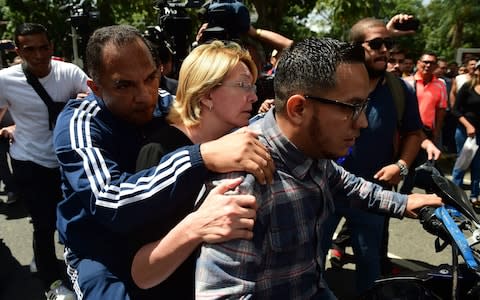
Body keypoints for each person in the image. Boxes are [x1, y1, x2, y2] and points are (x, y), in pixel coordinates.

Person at [194, 37, 443, 299]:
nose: (363, 123)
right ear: (299, 108)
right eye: (352, 107)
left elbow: (349, 186)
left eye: (365, 106)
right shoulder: (243, 184)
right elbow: (222, 294)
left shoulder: (311, 151)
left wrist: (405, 203)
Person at [53, 25, 274, 300]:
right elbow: (110, 201)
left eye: (150, 78)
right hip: (99, 252)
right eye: (124, 85)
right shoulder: (79, 124)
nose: (145, 94)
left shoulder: (167, 102)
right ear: (95, 88)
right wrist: (201, 155)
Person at [324, 15, 426, 294]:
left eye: (389, 43)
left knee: (370, 266)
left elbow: (414, 134)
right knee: (308, 260)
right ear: (356, 48)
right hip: (326, 191)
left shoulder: (399, 90)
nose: (385, 50)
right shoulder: (333, 81)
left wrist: (401, 166)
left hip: (374, 194)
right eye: (377, 44)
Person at [0, 23, 89, 299]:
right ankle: (51, 283)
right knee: (44, 223)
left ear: (51, 46)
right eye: (29, 49)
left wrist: (85, 101)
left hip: (68, 162)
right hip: (30, 161)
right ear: (18, 50)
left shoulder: (70, 73)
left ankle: (81, 269)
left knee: (77, 219)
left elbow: (99, 99)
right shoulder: (5, 79)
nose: (38, 55)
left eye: (43, 47)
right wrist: (7, 127)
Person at [401, 52, 447, 194]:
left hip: (428, 132)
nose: (428, 65)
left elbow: (441, 110)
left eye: (431, 63)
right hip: (408, 131)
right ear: (418, 62)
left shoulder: (440, 85)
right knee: (412, 162)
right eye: (425, 62)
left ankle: (407, 193)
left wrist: (436, 132)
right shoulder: (407, 82)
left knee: (424, 162)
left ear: (435, 66)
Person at [451, 61, 480, 205]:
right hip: (465, 132)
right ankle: (454, 197)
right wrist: (468, 125)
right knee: (461, 164)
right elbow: (455, 109)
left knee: (477, 165)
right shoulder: (467, 87)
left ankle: (475, 196)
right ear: (477, 70)